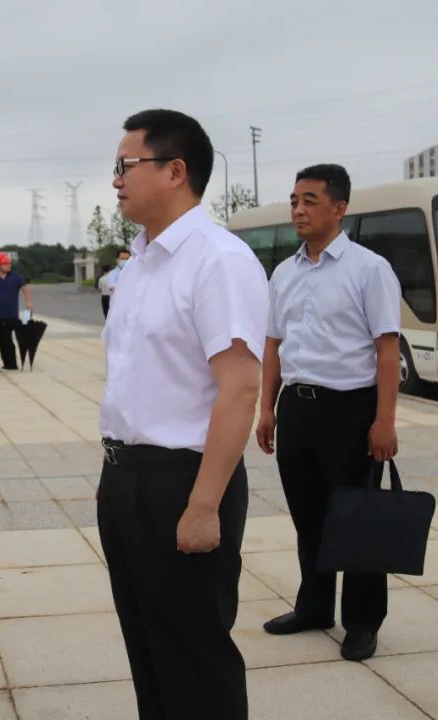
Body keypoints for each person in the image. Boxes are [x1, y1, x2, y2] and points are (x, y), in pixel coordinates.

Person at [99, 109, 268, 719]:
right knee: (147, 645)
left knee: (194, 652)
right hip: (125, 477)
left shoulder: (217, 259)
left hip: (185, 481)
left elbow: (240, 389)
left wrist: (203, 506)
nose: (115, 179)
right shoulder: (139, 263)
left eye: (126, 165)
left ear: (175, 171)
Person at [255, 164, 401, 662]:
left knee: (355, 519)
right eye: (295, 200)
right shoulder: (284, 272)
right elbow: (273, 343)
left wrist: (384, 421)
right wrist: (267, 408)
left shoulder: (369, 268)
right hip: (297, 407)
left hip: (350, 410)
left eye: (310, 200)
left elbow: (387, 349)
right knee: (308, 517)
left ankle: (363, 622)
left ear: (338, 209)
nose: (298, 209)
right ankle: (314, 606)